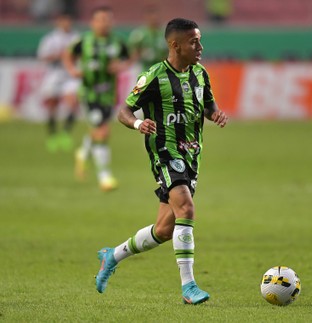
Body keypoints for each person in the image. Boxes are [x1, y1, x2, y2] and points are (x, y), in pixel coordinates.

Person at [95, 18, 228, 305]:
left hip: (192, 154)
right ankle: (189, 287)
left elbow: (207, 105)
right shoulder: (154, 76)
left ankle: (112, 256)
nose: (200, 47)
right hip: (166, 153)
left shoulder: (200, 74)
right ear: (174, 45)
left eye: (200, 40)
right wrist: (137, 124)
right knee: (187, 208)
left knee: (165, 229)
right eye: (194, 42)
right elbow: (124, 111)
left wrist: (215, 114)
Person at [63, 6, 130, 191]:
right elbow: (67, 54)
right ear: (92, 22)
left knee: (99, 130)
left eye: (108, 19)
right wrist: (72, 70)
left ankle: (83, 153)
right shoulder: (83, 41)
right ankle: (104, 177)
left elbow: (129, 58)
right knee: (102, 132)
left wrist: (121, 66)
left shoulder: (117, 42)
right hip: (89, 94)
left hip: (108, 94)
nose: (104, 23)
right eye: (100, 19)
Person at [37, 12, 80, 152]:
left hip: (70, 74)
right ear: (59, 22)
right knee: (52, 105)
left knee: (73, 103)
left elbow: (82, 55)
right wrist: (58, 56)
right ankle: (53, 135)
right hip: (54, 74)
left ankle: (66, 133)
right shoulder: (51, 38)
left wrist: (70, 58)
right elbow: (43, 57)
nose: (66, 23)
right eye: (64, 20)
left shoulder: (76, 38)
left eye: (68, 20)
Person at [128, 5, 167, 71]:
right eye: (151, 17)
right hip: (145, 69)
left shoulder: (165, 34)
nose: (154, 19)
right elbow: (133, 54)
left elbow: (170, 53)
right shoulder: (139, 34)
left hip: (162, 69)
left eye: (155, 17)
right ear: (147, 18)